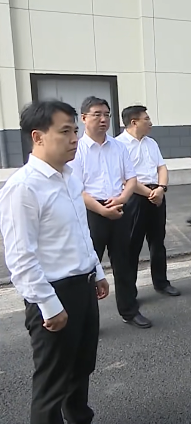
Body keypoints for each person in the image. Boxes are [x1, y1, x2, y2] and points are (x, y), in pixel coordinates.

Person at [0, 100, 110, 424]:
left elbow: (80, 232)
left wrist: (97, 271)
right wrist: (49, 305)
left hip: (84, 286)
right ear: (38, 136)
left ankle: (79, 418)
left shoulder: (69, 177)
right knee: (52, 383)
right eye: (65, 132)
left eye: (75, 130)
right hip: (53, 293)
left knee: (81, 368)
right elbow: (21, 258)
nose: (74, 138)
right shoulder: (23, 188)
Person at [69, 97, 150, 328]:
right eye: (97, 114)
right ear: (84, 118)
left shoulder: (118, 146)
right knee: (88, 268)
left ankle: (129, 311)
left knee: (124, 264)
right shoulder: (77, 149)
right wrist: (103, 210)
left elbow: (131, 178)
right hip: (92, 212)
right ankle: (86, 321)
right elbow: (77, 190)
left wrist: (122, 199)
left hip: (119, 207)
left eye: (106, 114)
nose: (103, 119)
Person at [117, 105, 180, 298]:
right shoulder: (118, 145)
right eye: (146, 119)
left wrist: (161, 188)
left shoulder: (151, 143)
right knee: (132, 246)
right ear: (134, 122)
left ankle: (161, 283)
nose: (150, 122)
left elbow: (162, 167)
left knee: (158, 242)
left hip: (157, 194)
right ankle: (129, 293)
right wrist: (149, 193)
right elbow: (123, 177)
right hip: (134, 197)